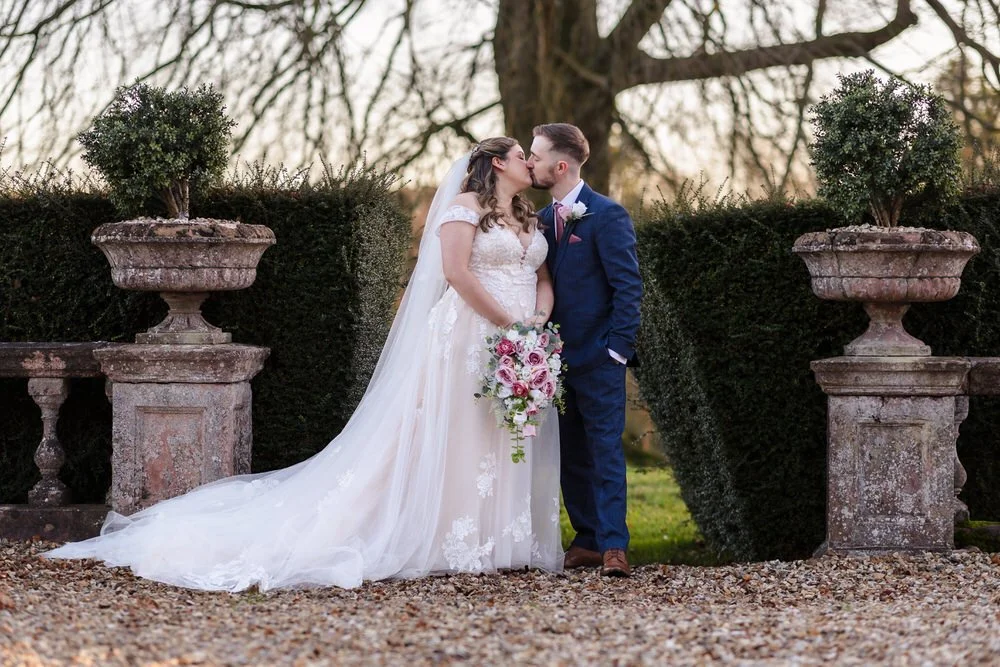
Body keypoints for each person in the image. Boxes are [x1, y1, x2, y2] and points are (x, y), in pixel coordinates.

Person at [45, 138, 564, 591]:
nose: (530, 163)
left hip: (520, 337)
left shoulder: (526, 215)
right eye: (523, 155)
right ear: (497, 163)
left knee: (500, 431)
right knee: (456, 430)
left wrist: (536, 321)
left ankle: (495, 540)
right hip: (471, 333)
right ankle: (445, 535)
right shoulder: (464, 206)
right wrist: (508, 324)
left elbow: (540, 274)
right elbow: (455, 273)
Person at [527, 123, 643, 577]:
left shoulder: (608, 216)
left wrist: (617, 350)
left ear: (561, 165)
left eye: (535, 156)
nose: (530, 163)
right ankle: (588, 539)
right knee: (568, 452)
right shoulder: (536, 221)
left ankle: (615, 544)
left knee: (604, 450)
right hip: (549, 362)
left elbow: (627, 286)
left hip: (599, 358)